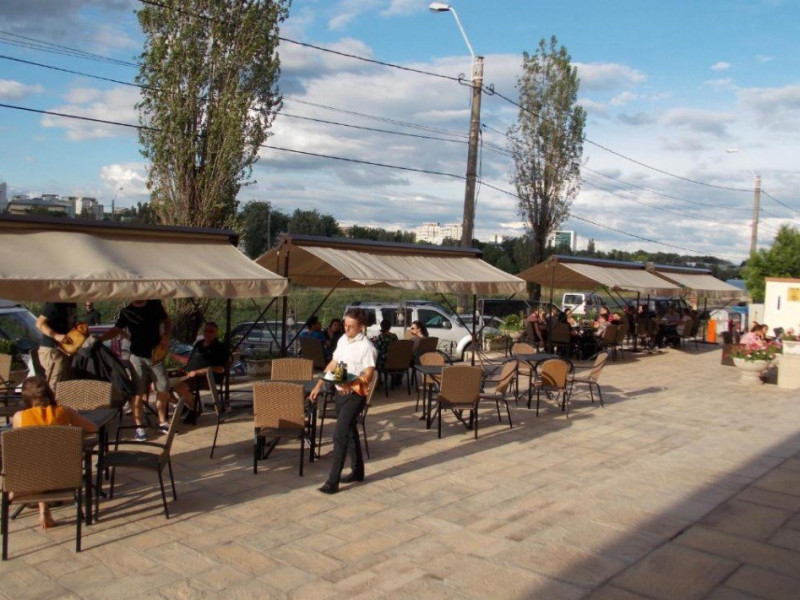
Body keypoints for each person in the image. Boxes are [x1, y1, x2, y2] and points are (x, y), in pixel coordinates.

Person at [12, 376, 97, 529]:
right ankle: (43, 509)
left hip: (33, 477)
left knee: (36, 457)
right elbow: (93, 428)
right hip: (64, 475)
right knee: (47, 458)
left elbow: (20, 450)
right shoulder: (64, 411)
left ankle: (39, 504)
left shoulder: (19, 417)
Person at [310, 307, 377, 495]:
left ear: (361, 327)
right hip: (340, 393)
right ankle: (358, 471)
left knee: (339, 435)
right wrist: (319, 384)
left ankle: (332, 482)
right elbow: (333, 363)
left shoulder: (367, 347)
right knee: (350, 431)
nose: (346, 328)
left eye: (351, 326)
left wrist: (351, 383)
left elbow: (369, 374)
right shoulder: (342, 340)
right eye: (345, 324)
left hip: (355, 396)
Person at [100, 300, 170, 442]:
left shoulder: (154, 304)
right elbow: (116, 329)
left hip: (156, 354)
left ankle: (162, 421)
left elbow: (167, 321)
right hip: (137, 357)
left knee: (163, 388)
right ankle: (139, 427)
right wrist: (99, 339)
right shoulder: (127, 312)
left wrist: (165, 336)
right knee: (138, 392)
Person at [173, 321, 227, 425]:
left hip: (205, 378)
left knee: (180, 387)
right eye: (206, 331)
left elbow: (221, 368)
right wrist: (183, 369)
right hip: (188, 375)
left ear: (216, 333)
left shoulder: (220, 347)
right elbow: (191, 360)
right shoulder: (198, 344)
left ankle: (195, 408)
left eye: (211, 331)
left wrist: (199, 371)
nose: (208, 333)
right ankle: (183, 407)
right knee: (162, 386)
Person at [35, 302, 77, 387]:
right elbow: (39, 323)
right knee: (55, 384)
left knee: (64, 384)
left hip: (64, 349)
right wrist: (56, 335)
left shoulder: (71, 304)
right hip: (52, 349)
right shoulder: (55, 303)